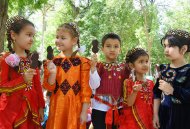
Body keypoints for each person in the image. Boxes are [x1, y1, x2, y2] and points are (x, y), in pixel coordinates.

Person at [43, 23, 92, 129]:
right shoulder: (53, 61)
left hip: (75, 107)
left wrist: (84, 112)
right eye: (57, 37)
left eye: (63, 38)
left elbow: (85, 89)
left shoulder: (82, 62)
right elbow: (49, 87)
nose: (58, 40)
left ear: (74, 41)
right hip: (57, 106)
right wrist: (53, 73)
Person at [0, 16, 45, 129]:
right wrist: (22, 80)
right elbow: (2, 87)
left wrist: (41, 106)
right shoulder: (5, 59)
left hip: (32, 109)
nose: (32, 39)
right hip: (12, 111)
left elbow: (37, 85)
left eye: (33, 36)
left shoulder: (32, 60)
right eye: (28, 35)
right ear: (14, 35)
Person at [90, 33, 129, 129]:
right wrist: (93, 68)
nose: (112, 49)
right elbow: (94, 85)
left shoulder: (125, 68)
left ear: (120, 50)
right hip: (100, 109)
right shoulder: (98, 66)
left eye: (116, 46)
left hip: (119, 109)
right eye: (108, 46)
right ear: (102, 48)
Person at [153, 29, 190, 129]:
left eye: (170, 46)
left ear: (183, 49)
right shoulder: (162, 69)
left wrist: (173, 90)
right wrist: (155, 115)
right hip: (163, 117)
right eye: (165, 46)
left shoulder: (188, 70)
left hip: (183, 120)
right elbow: (156, 93)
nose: (166, 50)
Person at [119, 48, 154, 129]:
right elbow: (129, 103)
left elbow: (153, 102)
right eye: (141, 62)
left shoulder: (151, 83)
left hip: (149, 119)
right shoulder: (128, 82)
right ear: (131, 65)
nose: (145, 64)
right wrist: (134, 92)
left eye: (146, 61)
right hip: (133, 121)